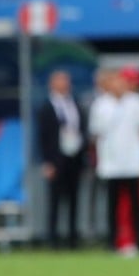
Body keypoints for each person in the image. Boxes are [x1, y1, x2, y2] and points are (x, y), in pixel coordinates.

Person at [89, 69, 139, 255]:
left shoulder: (137, 102)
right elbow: (96, 133)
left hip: (133, 161)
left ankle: (138, 239)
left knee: (136, 203)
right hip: (111, 162)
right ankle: (112, 240)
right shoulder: (100, 105)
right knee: (112, 204)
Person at [37, 70, 87, 250]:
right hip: (56, 160)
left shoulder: (75, 104)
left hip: (74, 158)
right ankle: (53, 239)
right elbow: (42, 137)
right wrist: (47, 162)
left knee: (74, 200)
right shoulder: (46, 108)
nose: (65, 84)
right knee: (55, 201)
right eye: (60, 81)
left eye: (66, 80)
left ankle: (73, 239)